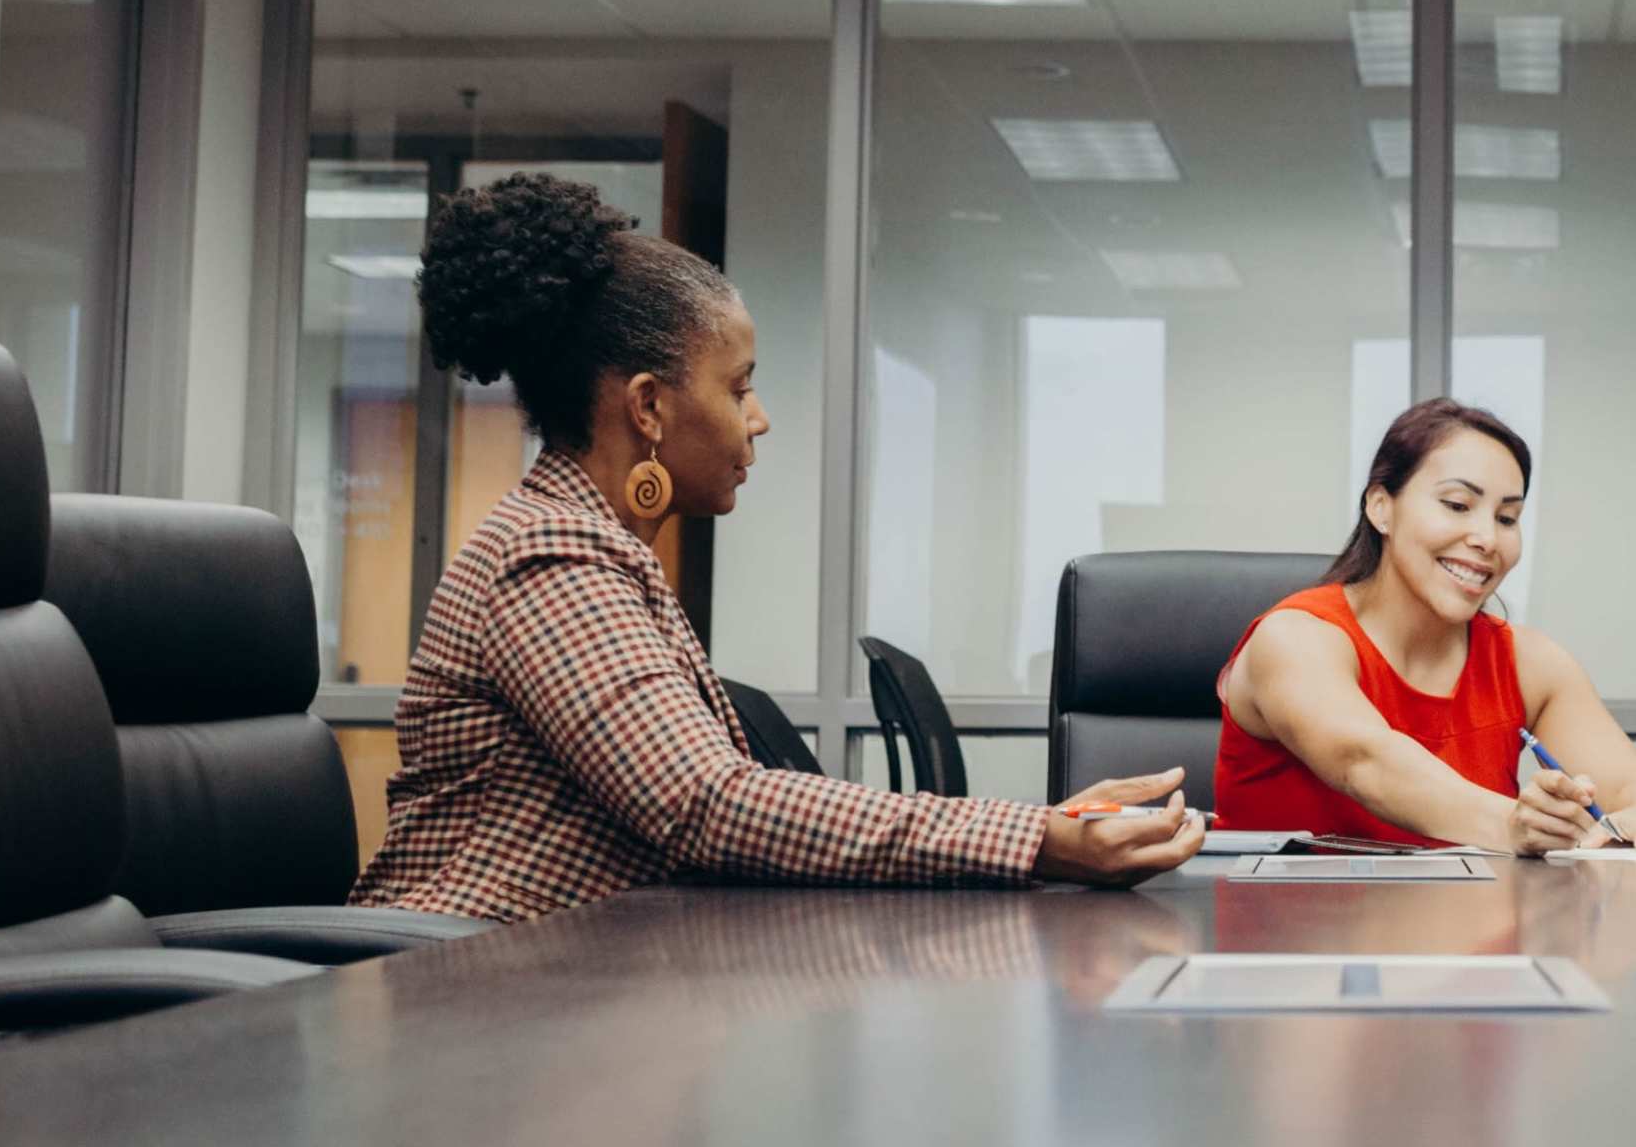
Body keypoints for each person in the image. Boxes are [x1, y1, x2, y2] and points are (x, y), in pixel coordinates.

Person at [353, 173, 1201, 920]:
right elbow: (704, 804)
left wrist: (1043, 832)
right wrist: (1036, 839)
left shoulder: (602, 549)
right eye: (739, 386)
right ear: (648, 407)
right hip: (472, 1001)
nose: (758, 417)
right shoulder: (548, 559)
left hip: (577, 989)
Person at [1213, 398, 1636, 854]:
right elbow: (1367, 763)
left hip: (1463, 926)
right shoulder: (1295, 637)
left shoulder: (1531, 663)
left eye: (1507, 518)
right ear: (1380, 507)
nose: (1487, 539)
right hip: (1289, 924)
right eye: (1457, 505)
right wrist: (1514, 823)